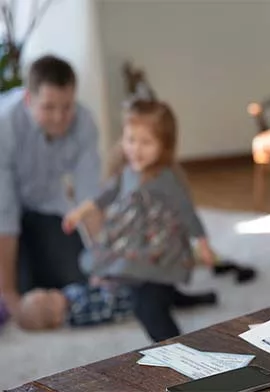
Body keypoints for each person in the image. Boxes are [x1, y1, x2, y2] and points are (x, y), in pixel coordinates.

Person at [63, 99, 220, 342]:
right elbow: (105, 195)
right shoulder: (127, 172)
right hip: (134, 245)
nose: (136, 149)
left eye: (146, 142)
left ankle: (175, 347)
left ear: (164, 145)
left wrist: (203, 244)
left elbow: (187, 212)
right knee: (135, 280)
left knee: (148, 305)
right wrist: (79, 213)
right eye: (130, 140)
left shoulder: (166, 179)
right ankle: (172, 296)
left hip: (160, 250)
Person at [0, 55, 101, 317]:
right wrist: (8, 293)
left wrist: (105, 268)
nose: (59, 117)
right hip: (4, 215)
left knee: (79, 279)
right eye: (48, 107)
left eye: (66, 106)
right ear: (28, 100)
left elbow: (89, 200)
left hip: (44, 211)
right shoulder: (5, 124)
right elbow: (5, 214)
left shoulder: (84, 122)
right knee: (19, 290)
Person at [16, 280, 216, 331]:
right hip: (127, 299)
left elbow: (87, 285)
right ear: (57, 319)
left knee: (165, 291)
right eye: (51, 300)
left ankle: (190, 298)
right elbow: (105, 310)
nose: (54, 292)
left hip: (121, 284)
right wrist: (107, 287)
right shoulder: (77, 315)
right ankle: (188, 300)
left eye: (48, 291)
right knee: (157, 299)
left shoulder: (68, 292)